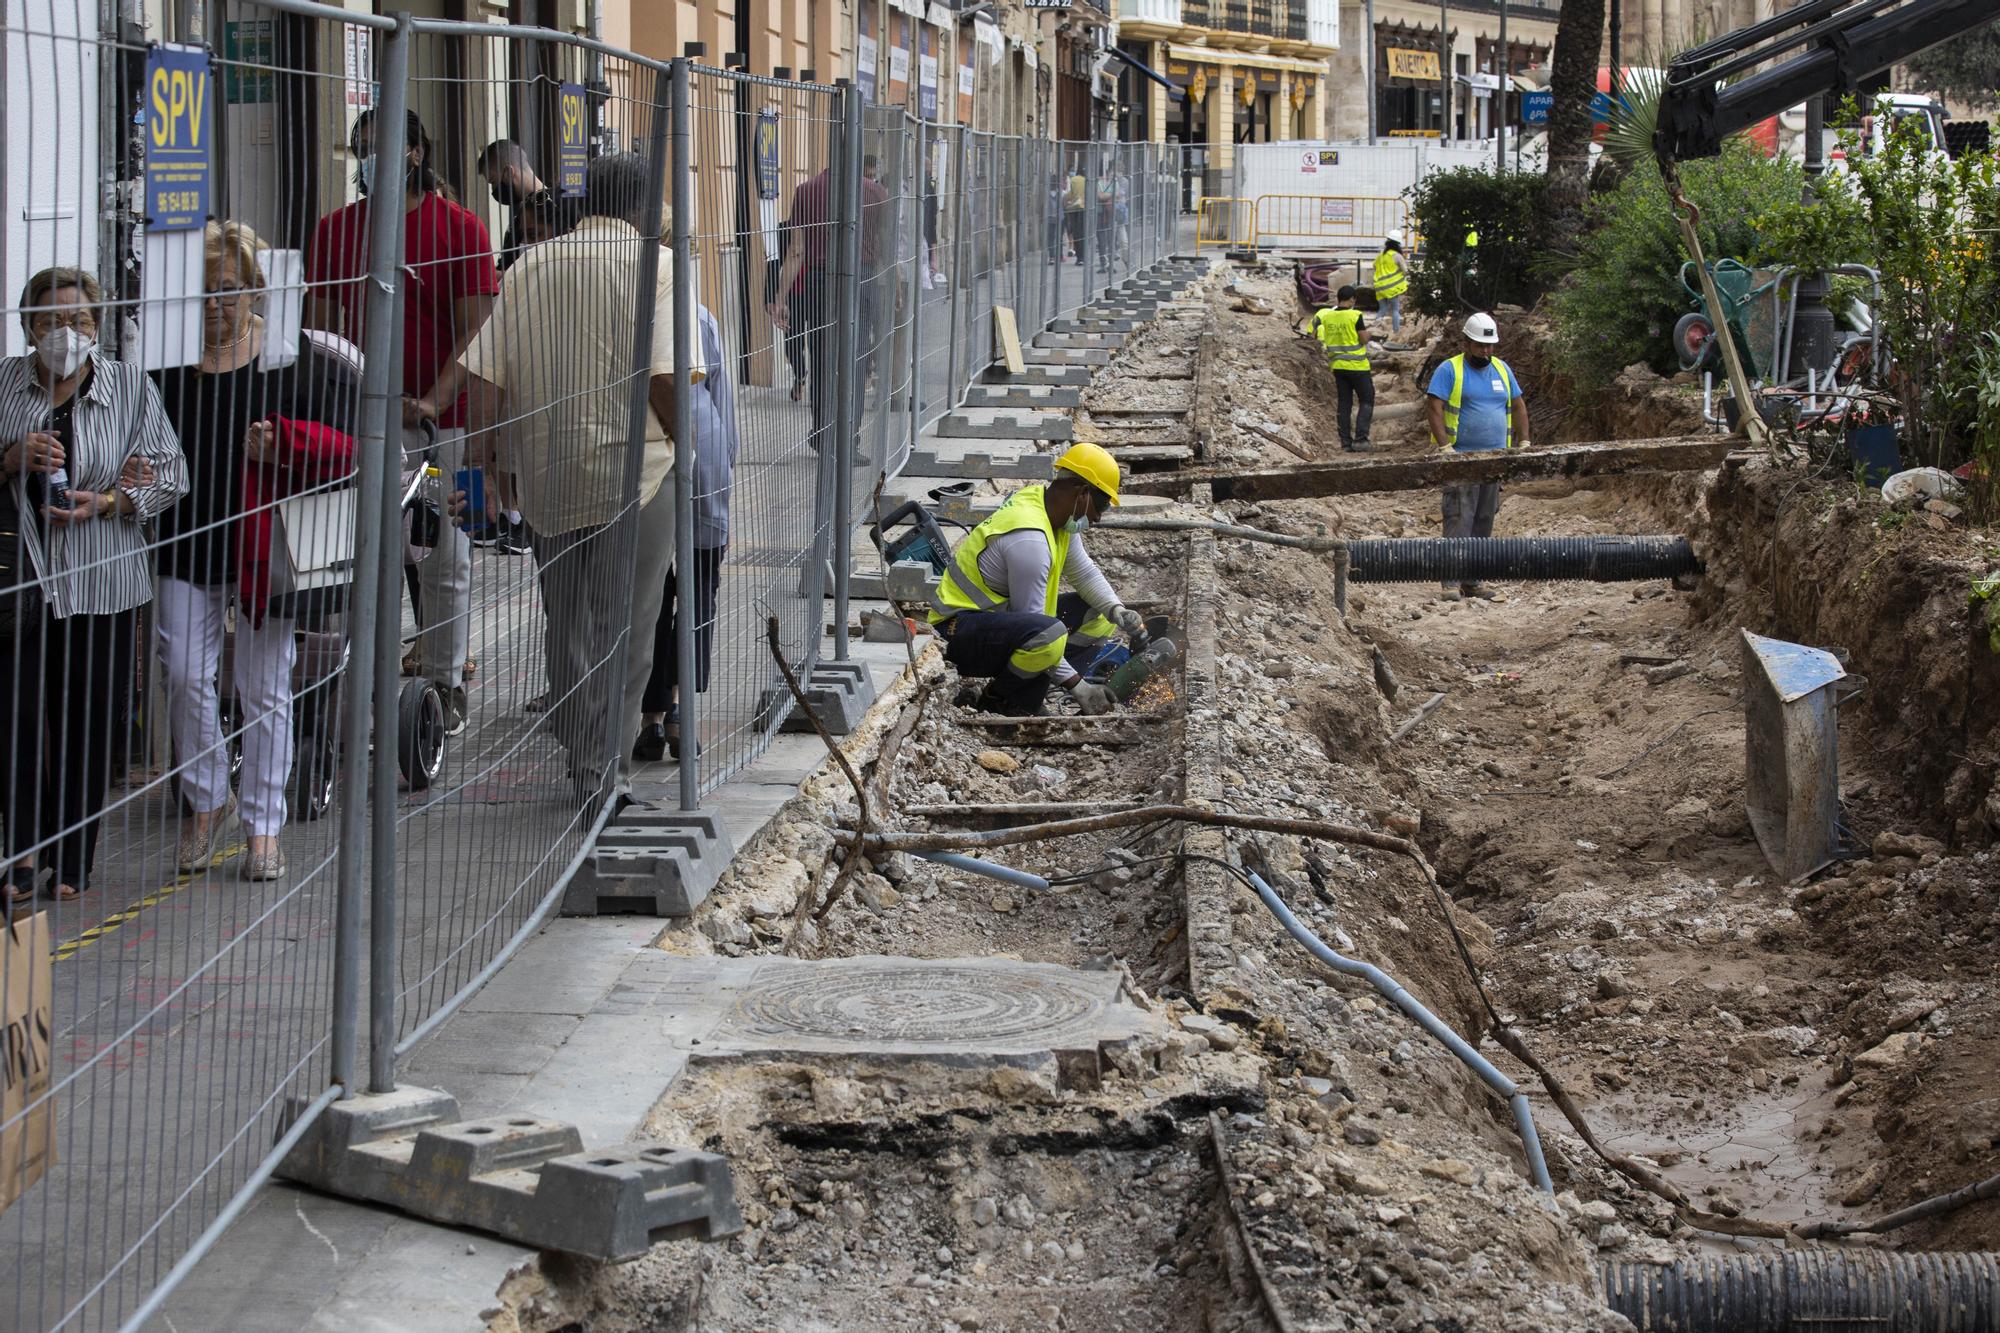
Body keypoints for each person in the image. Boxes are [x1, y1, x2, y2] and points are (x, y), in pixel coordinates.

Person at [458, 152, 689, 808]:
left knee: (567, 621)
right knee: (630, 625)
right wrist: (682, 444)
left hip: (548, 468)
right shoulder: (659, 267)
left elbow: (483, 377)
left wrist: (492, 461)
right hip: (637, 473)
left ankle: (581, 744)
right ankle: (600, 772)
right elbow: (667, 378)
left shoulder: (531, 265)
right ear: (643, 208)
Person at [154, 222, 360, 883]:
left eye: (228, 291)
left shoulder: (289, 357)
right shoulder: (168, 362)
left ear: (254, 291)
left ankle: (263, 828)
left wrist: (286, 443)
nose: (215, 304)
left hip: (267, 549)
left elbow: (347, 449)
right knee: (186, 675)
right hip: (186, 542)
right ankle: (206, 800)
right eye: (204, 293)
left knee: (265, 690)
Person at [306, 107, 499, 736]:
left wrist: (434, 401)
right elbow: (323, 325)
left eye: (377, 148)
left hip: (446, 429)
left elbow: (477, 333)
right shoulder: (336, 232)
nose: (366, 160)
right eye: (359, 148)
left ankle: (442, 686)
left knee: (448, 557)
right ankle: (368, 688)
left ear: (413, 153)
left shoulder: (462, 230)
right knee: (368, 556)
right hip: (362, 425)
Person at [1, 267, 188, 907]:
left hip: (103, 581)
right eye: (52, 321)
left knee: (86, 722)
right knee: (18, 720)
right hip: (22, 587)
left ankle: (73, 854)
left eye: (80, 321)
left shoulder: (131, 388)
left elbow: (171, 478)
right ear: (29, 327)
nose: (67, 334)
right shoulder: (7, 381)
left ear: (97, 326)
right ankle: (22, 852)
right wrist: (11, 458)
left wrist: (108, 501)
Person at [928, 443, 1145, 718]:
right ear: (1083, 493)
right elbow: (1039, 629)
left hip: (999, 623)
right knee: (1049, 636)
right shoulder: (1030, 541)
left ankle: (1040, 688)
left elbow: (1084, 573)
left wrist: (1117, 610)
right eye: (1100, 505)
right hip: (956, 633)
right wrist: (1080, 688)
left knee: (1099, 616)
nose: (1098, 517)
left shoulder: (1052, 515)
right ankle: (1002, 700)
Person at [633, 302, 739, 764]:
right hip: (700, 444)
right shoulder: (696, 314)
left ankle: (651, 719)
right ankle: (678, 710)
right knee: (697, 585)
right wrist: (726, 468)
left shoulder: (627, 305)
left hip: (646, 449)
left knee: (649, 592)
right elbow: (723, 398)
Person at [766, 154, 887, 456]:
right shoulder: (874, 192)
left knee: (821, 359)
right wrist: (894, 285)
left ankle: (821, 432)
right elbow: (885, 245)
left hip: (822, 282)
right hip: (863, 278)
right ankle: (849, 438)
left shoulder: (806, 190)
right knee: (857, 361)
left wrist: (780, 298)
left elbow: (796, 250)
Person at [1424, 312, 1529, 602]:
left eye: (1490, 346)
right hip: (1462, 459)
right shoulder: (1450, 370)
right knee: (1459, 518)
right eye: (1481, 346)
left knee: (1484, 519)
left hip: (1494, 460)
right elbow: (1434, 407)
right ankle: (1450, 581)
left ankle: (1473, 580)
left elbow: (1518, 405)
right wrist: (1445, 448)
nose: (1486, 351)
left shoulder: (1502, 370)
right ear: (1466, 343)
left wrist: (1524, 441)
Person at [476, 139, 583, 272]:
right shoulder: (518, 219)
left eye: (493, 182)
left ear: (509, 173)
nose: (494, 190)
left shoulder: (562, 207)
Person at [1312, 285, 1373, 452]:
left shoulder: (1328, 317)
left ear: (1338, 298)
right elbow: (1363, 339)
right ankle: (1361, 440)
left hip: (1338, 367)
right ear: (1352, 299)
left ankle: (1345, 443)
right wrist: (1369, 335)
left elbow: (1314, 335)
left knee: (1344, 404)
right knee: (1366, 400)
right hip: (1358, 367)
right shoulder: (1355, 315)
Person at [1374, 231, 1410, 337]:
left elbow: (1374, 267)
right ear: (1398, 244)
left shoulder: (1381, 255)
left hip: (1379, 287)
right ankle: (1396, 332)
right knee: (1395, 310)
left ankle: (1374, 330)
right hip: (1392, 288)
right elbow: (1405, 271)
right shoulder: (1397, 256)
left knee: (1382, 309)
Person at [1063, 162, 1088, 266]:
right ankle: (1083, 256)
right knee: (1084, 233)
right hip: (1084, 209)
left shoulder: (1072, 180)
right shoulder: (1088, 181)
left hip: (1073, 209)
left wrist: (1066, 202)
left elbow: (1069, 194)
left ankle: (1079, 257)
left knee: (1076, 233)